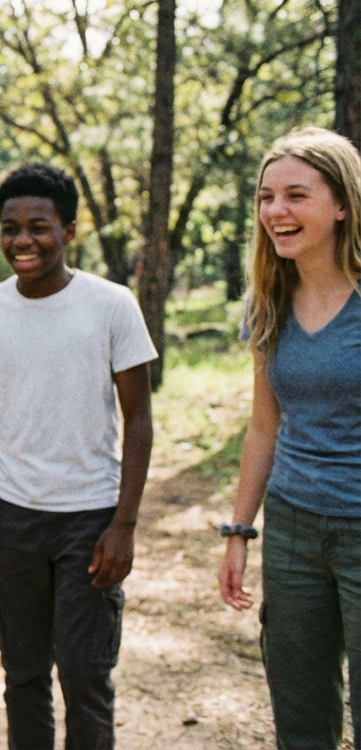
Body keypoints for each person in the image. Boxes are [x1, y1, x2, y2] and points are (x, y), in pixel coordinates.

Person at [0, 162, 155, 749]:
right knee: (24, 673)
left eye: (39, 226)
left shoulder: (112, 306)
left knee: (86, 674)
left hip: (89, 516)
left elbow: (138, 419)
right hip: (15, 516)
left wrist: (124, 524)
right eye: (11, 228)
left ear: (70, 230)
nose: (22, 241)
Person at [218, 127, 361, 749]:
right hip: (294, 528)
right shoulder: (268, 301)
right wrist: (239, 531)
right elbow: (264, 425)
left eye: (296, 195)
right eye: (266, 197)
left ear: (342, 205)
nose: (276, 211)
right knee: (300, 712)